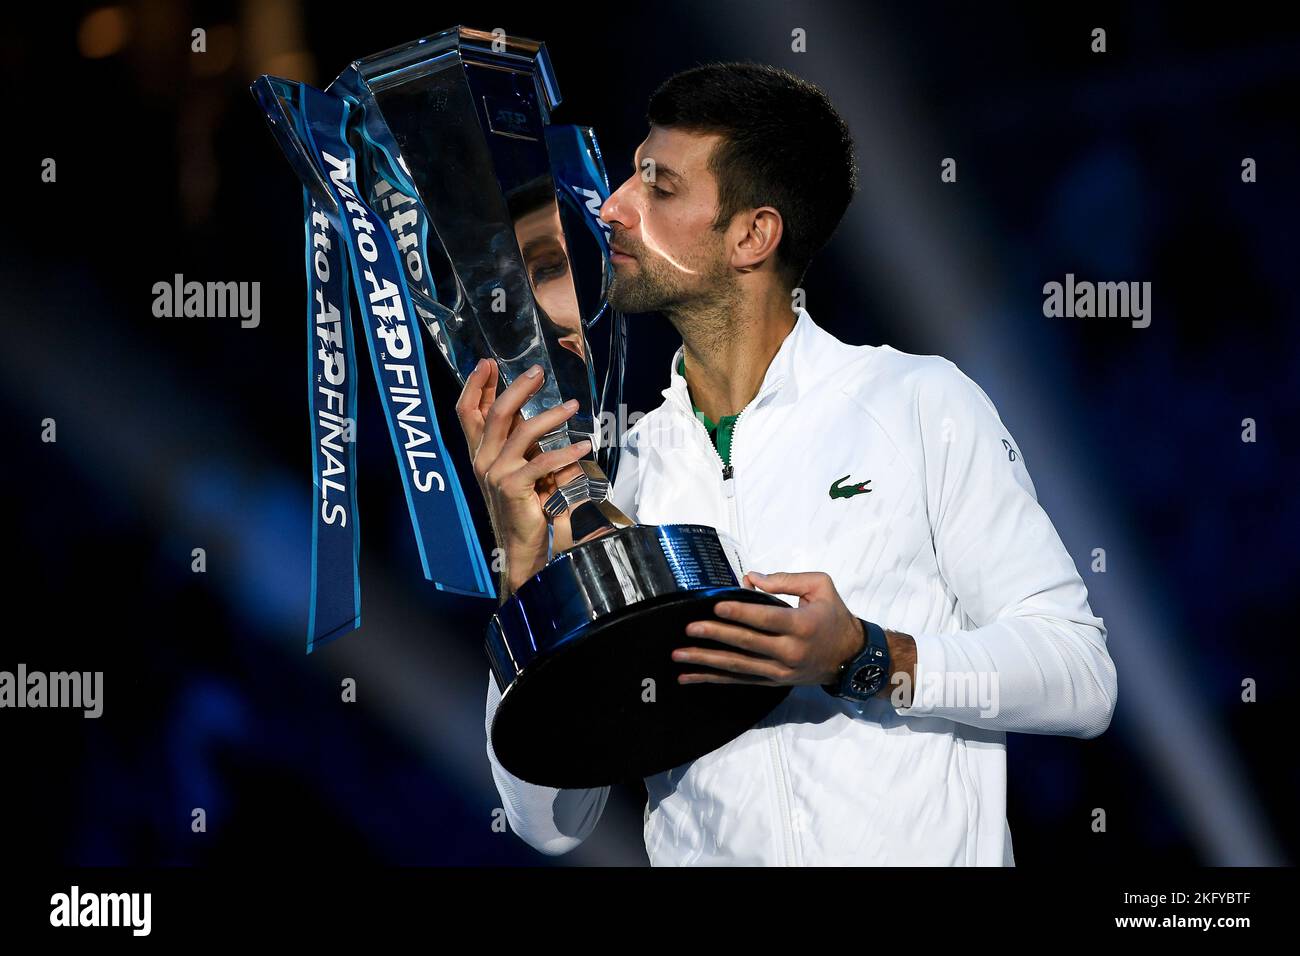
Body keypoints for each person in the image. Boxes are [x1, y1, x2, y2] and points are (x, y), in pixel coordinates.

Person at [455, 61, 1117, 865]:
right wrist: (525, 580)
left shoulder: (917, 404)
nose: (612, 207)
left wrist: (866, 656)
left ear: (751, 235)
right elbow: (552, 822)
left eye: (658, 189)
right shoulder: (617, 477)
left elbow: (1082, 676)